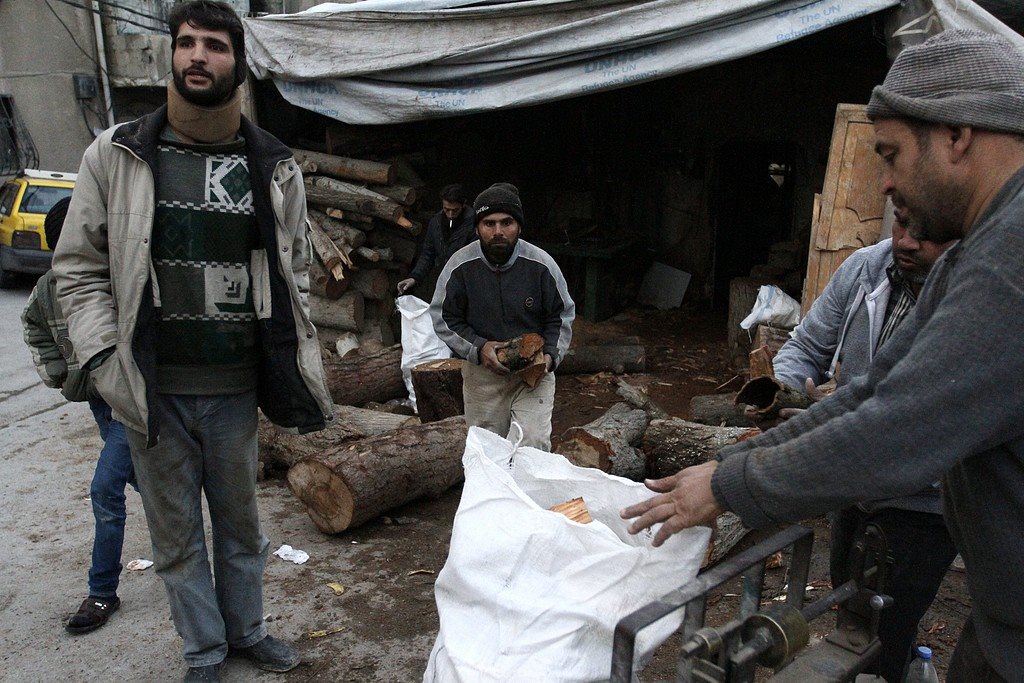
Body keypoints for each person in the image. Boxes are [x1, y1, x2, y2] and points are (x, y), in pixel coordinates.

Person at [621, 30, 1024, 680]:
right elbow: (875, 391)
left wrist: (730, 486)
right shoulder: (981, 249)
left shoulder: (1011, 259)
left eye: (891, 155)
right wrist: (730, 464)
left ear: (957, 135)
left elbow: (897, 431)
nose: (885, 183)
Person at [51, 2, 333, 681]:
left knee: (242, 530)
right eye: (185, 43)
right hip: (151, 391)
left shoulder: (272, 164)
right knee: (175, 537)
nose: (197, 55)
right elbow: (78, 270)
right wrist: (103, 359)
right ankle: (204, 650)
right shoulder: (115, 154)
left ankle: (248, 632)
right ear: (171, 55)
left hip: (235, 388)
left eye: (214, 44)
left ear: (238, 61)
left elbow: (294, 268)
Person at [771, 223, 956, 682]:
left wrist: (829, 422)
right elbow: (806, 346)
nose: (906, 240)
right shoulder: (865, 268)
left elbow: (931, 412)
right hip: (853, 486)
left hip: (924, 501)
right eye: (902, 222)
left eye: (925, 231)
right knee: (850, 605)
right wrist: (783, 391)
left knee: (887, 628)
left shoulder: (971, 293)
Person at [22, 197, 138, 636]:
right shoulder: (48, 289)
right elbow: (34, 326)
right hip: (98, 402)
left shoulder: (120, 278)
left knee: (106, 489)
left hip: (130, 401)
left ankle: (102, 592)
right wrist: (60, 373)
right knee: (146, 479)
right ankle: (188, 545)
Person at [431, 182, 574, 450]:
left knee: (532, 445)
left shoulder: (541, 265)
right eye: (489, 223)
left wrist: (551, 355)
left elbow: (561, 314)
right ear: (477, 228)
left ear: (519, 226)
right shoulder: (460, 266)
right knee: (487, 451)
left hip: (534, 373)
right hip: (482, 374)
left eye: (507, 222)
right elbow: (443, 316)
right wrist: (478, 347)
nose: (498, 231)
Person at [396, 183, 475, 296]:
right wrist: (415, 277)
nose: (450, 215)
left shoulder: (474, 224)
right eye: (446, 209)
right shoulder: (436, 222)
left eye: (455, 210)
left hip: (468, 283)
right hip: (445, 280)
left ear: (463, 204)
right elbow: (428, 253)